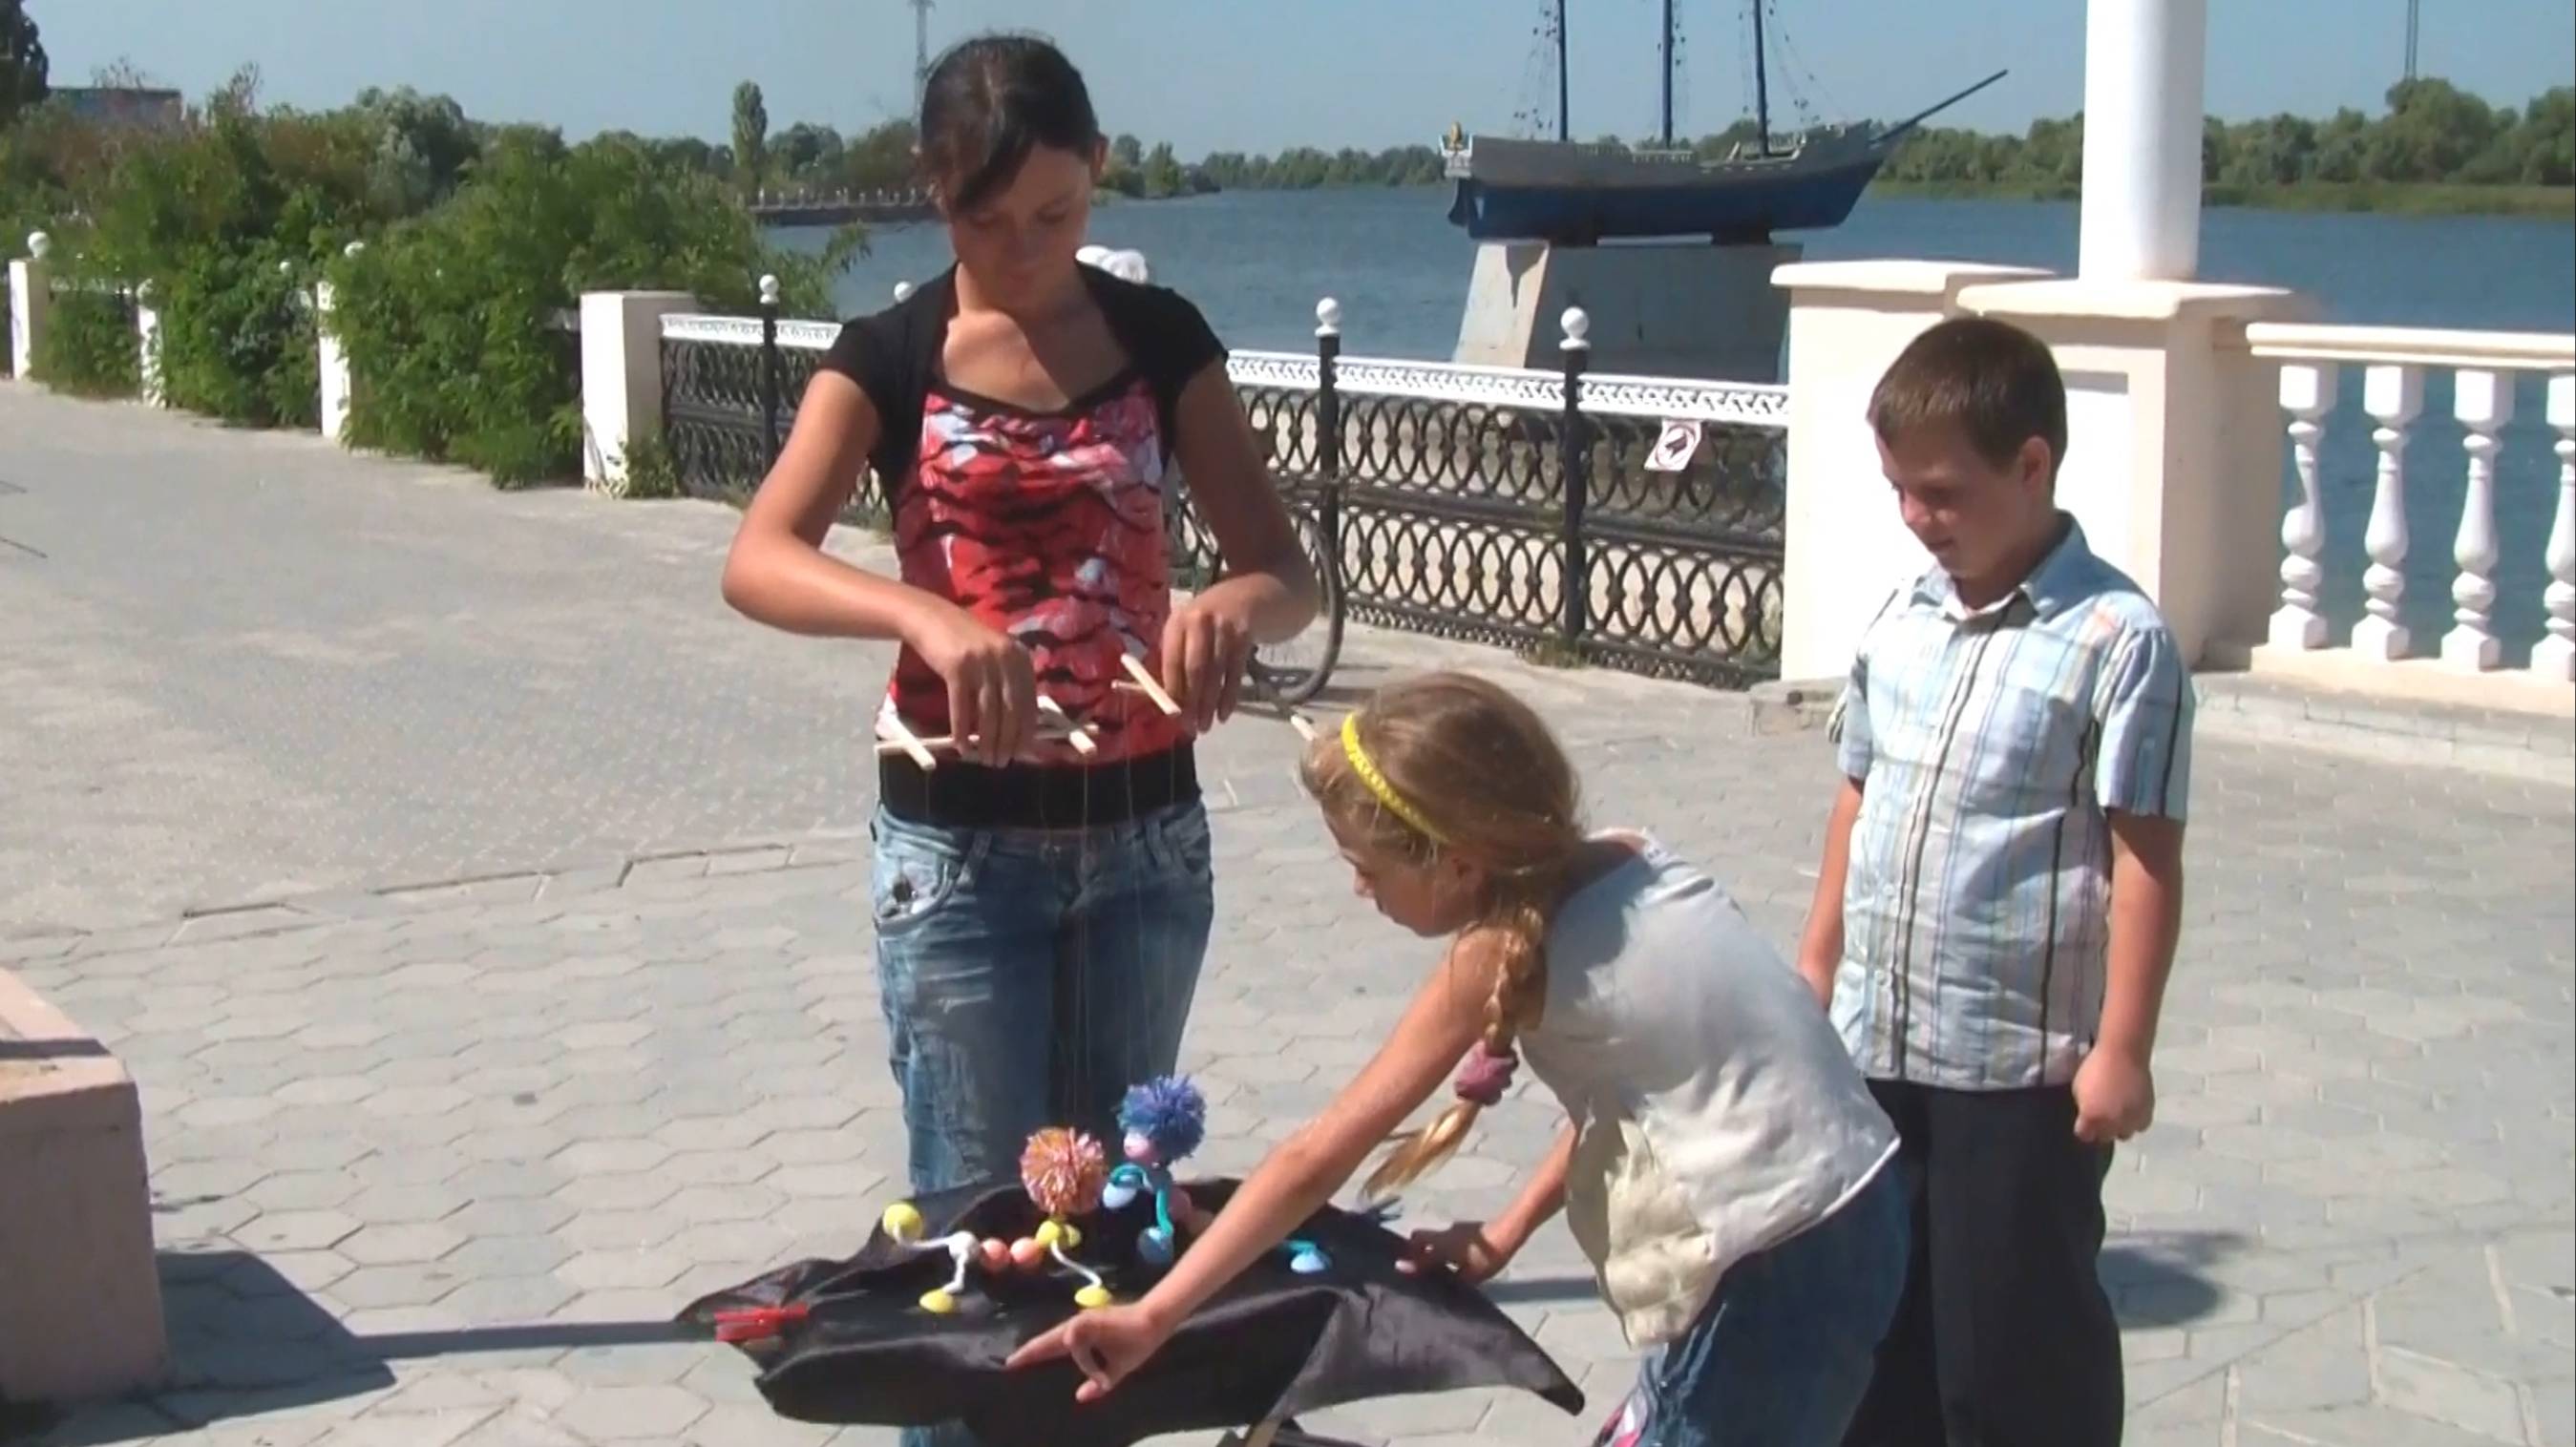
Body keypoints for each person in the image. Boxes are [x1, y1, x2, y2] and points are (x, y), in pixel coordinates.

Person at [719, 31, 1317, 1446]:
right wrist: (920, 617)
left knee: (1112, 1229)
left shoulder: (1160, 339)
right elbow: (756, 557)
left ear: (1098, 172)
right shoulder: (891, 354)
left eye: (1057, 212)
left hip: (1145, 846)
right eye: (985, 219)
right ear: (932, 191)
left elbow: (1285, 572)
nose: (1026, 249)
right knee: (972, 1255)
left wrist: (1232, 608)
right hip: (960, 865)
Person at [1009, 671, 1911, 1447]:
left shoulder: (1500, 950)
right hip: (1854, 1212)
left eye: (1368, 867)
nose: (1357, 889)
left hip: (1777, 1269)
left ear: (1457, 864)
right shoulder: (1628, 858)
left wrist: (1156, 1316)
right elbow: (1632, 1100)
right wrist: (1505, 1232)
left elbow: (1319, 1155)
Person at [1793, 316, 2193, 1447]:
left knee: (2012, 1350)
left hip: (2015, 1068)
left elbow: (2144, 857)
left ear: (2030, 465)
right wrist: (1816, 964)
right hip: (1877, 1048)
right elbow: (1858, 794)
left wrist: (2123, 1049)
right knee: (1881, 1334)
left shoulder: (2117, 639)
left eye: (1941, 494)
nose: (1917, 519)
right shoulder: (1903, 617)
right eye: (1899, 493)